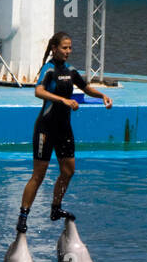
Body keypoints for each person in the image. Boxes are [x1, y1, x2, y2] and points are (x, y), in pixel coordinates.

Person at [15, 32, 112, 234]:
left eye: (70, 48)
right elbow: (38, 91)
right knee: (38, 176)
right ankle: (23, 215)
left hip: (64, 128)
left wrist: (103, 95)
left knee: (68, 171)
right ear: (54, 48)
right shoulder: (48, 69)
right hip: (46, 128)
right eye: (64, 48)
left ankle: (55, 209)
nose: (68, 51)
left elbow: (86, 89)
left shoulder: (71, 70)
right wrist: (63, 100)